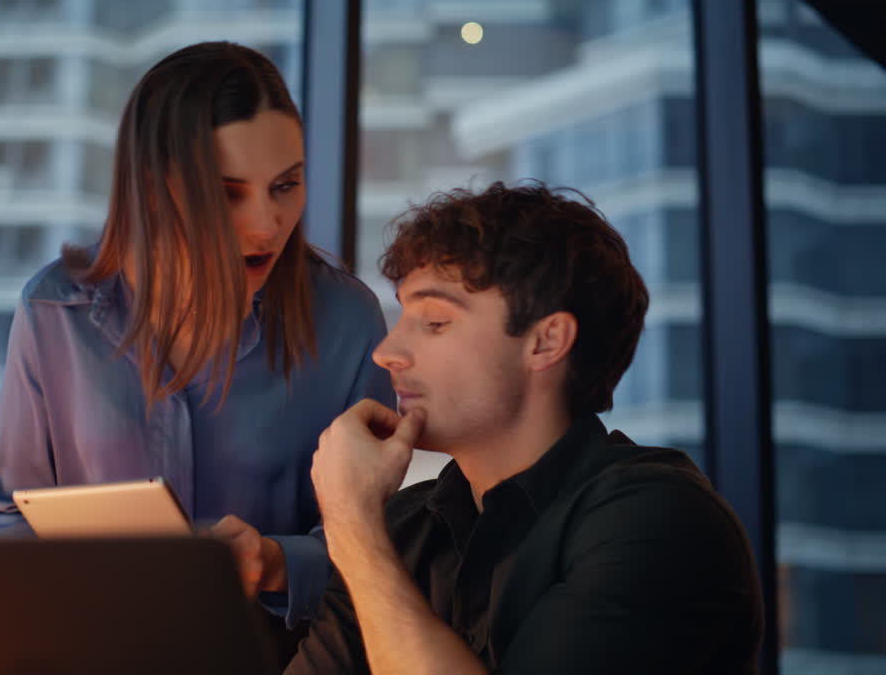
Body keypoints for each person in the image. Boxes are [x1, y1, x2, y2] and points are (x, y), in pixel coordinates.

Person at [0, 42, 394, 641]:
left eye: (285, 185)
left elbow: (386, 546)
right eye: (229, 192)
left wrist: (277, 564)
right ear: (154, 186)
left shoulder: (348, 323)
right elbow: (10, 516)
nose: (267, 224)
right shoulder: (52, 312)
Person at [289, 182, 764, 674]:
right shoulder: (406, 528)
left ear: (546, 342)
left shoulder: (660, 520)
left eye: (433, 322)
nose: (386, 352)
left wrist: (353, 527)